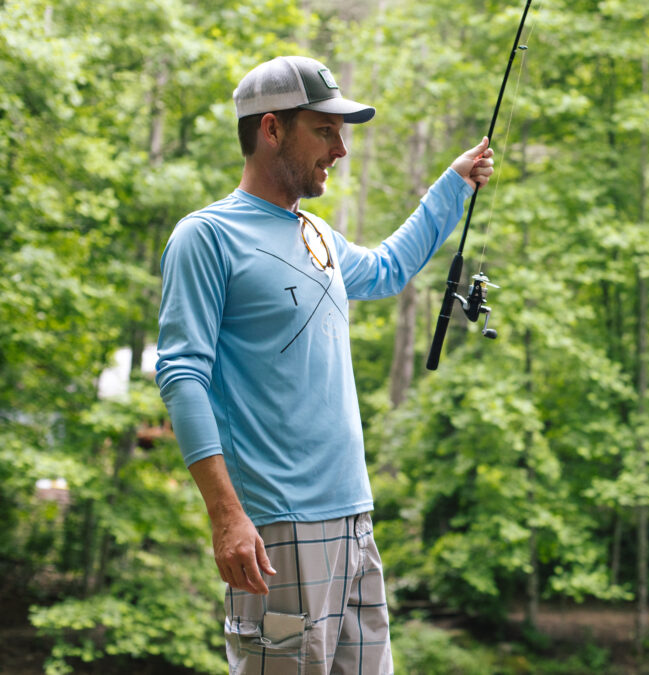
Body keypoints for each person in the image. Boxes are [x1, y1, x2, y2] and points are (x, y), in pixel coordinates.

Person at [154, 55, 494, 675]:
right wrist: (227, 515)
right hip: (276, 532)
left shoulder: (317, 235)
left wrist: (454, 183)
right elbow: (181, 376)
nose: (341, 149)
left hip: (354, 520)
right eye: (326, 130)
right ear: (271, 130)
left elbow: (389, 269)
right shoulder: (205, 237)